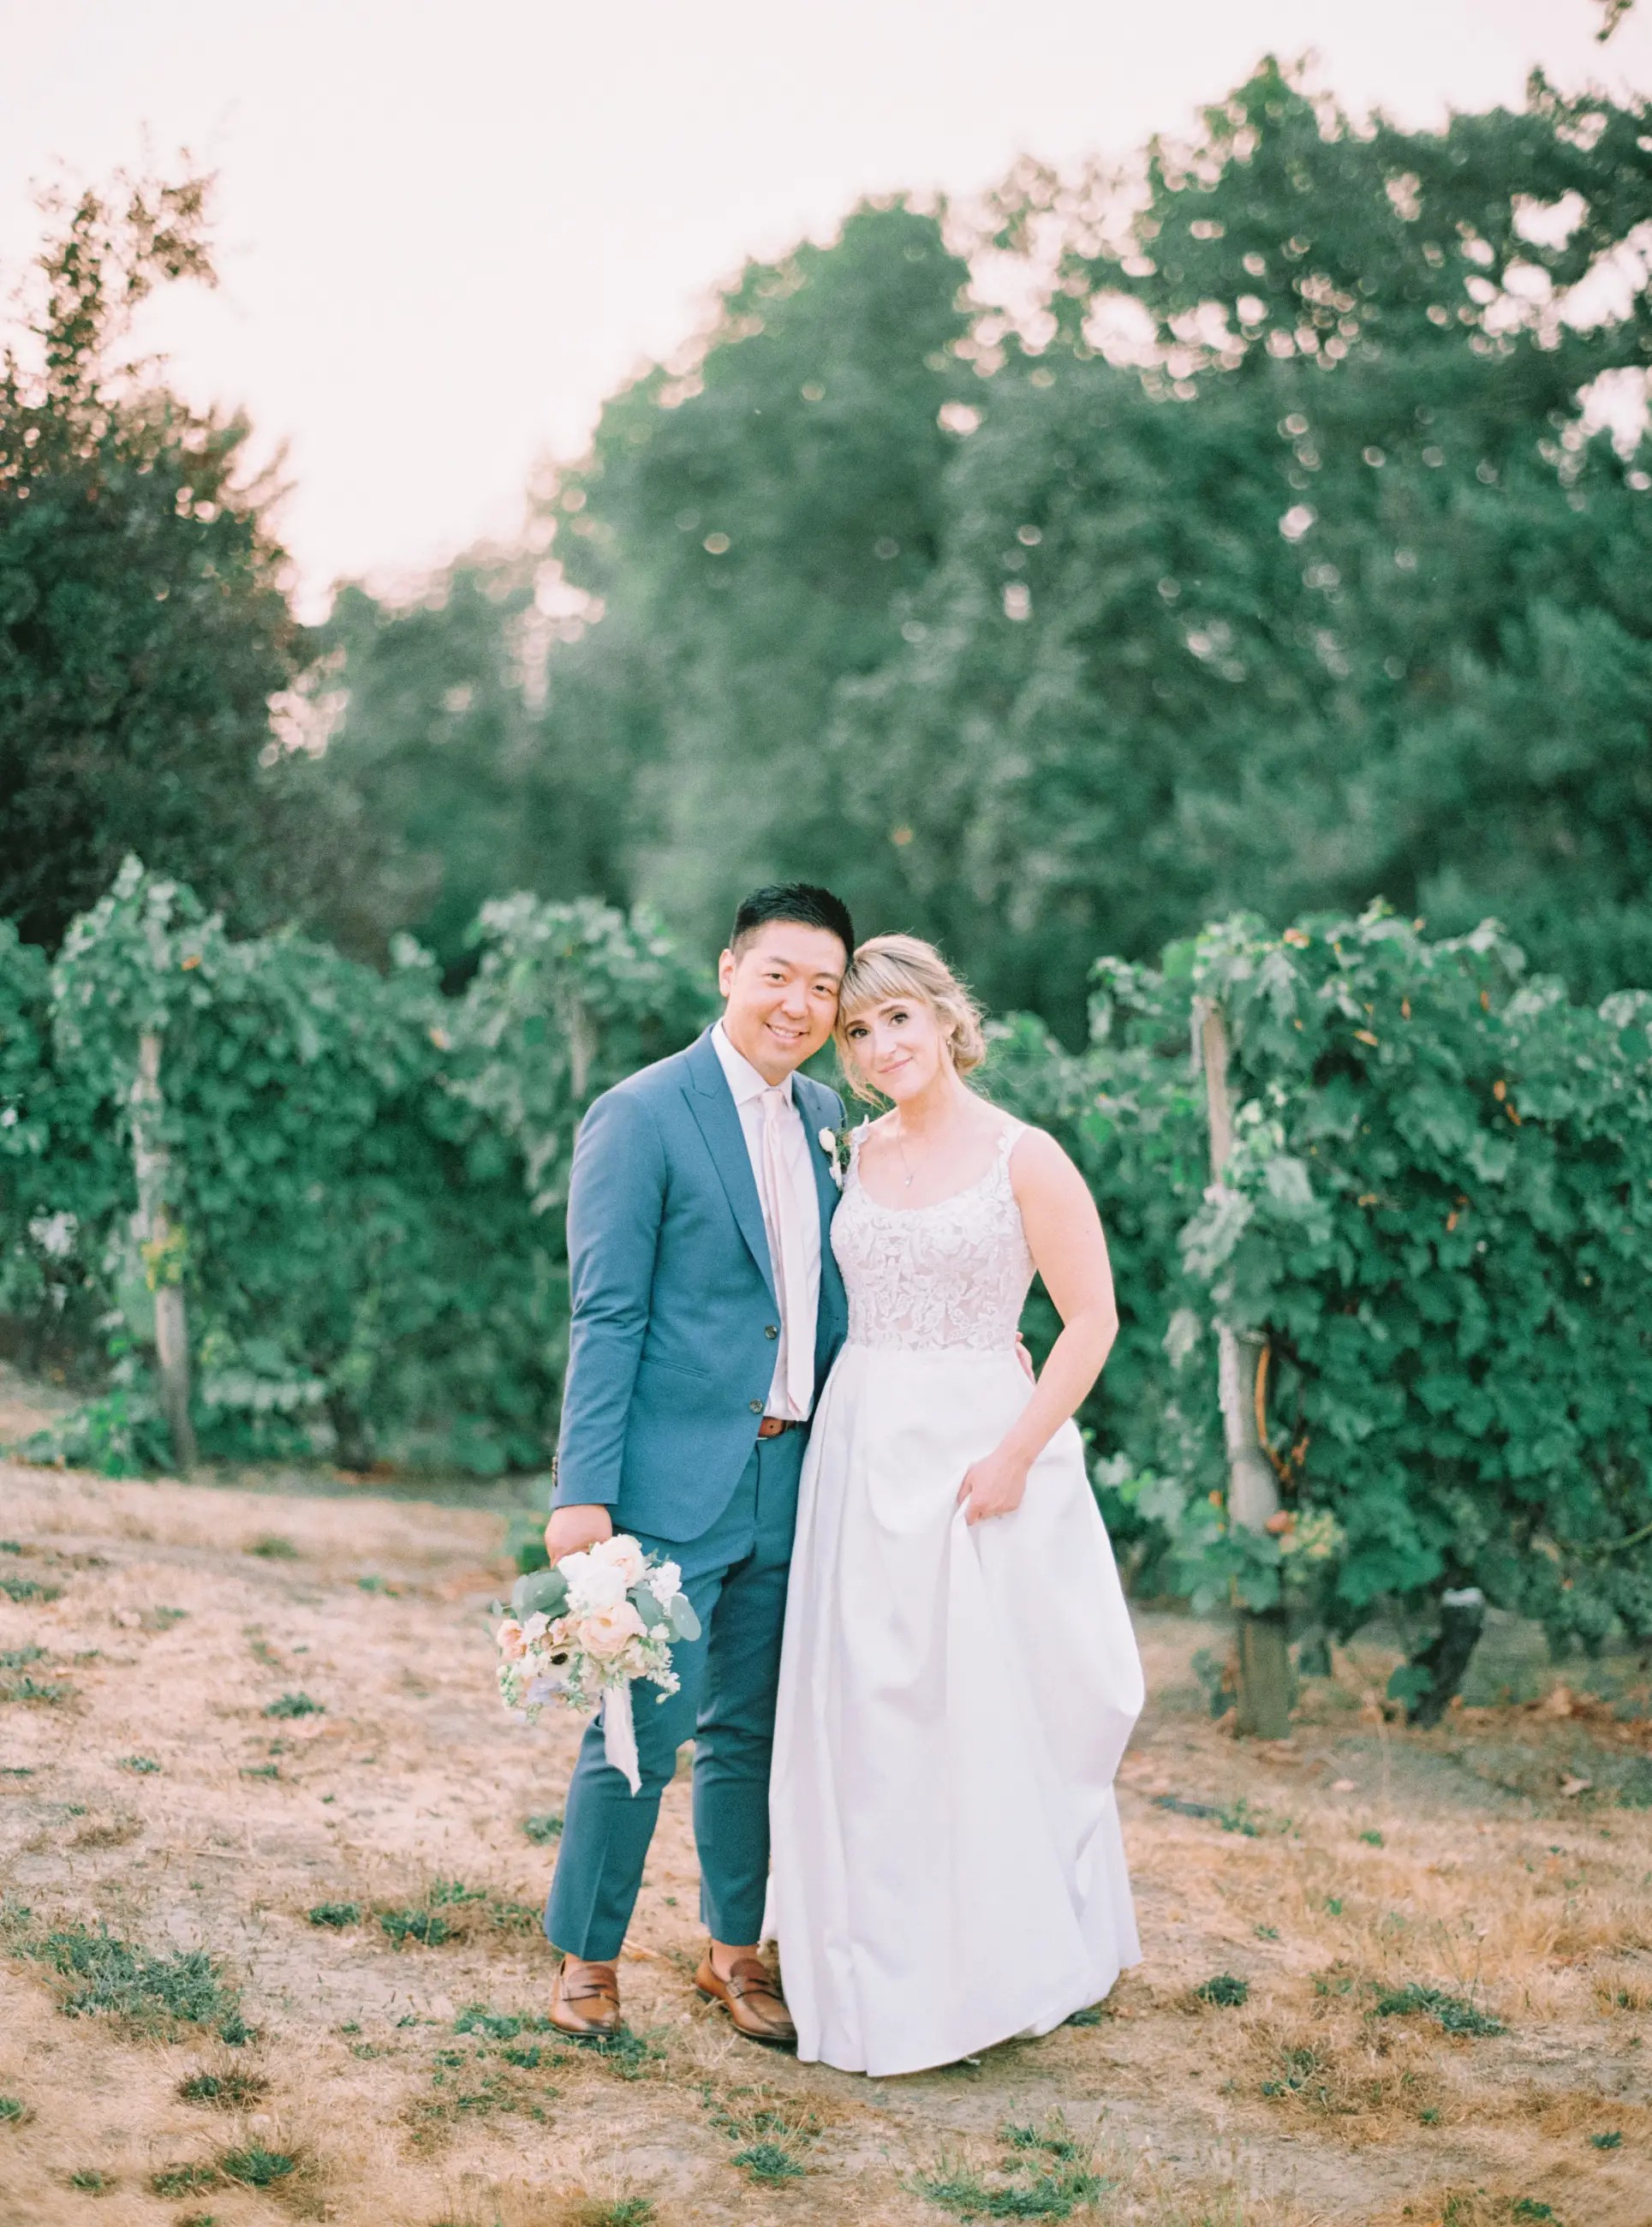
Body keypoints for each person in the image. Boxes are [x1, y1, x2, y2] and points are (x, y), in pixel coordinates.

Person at [769, 932, 1143, 2076]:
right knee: (868, 1712)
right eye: (859, 1030)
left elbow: (1090, 1320)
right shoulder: (852, 1151)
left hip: (983, 1452)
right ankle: (871, 1963)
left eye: (898, 1019)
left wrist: (1015, 1456)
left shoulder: (1025, 1157)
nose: (880, 1046)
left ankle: (1000, 1960)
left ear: (943, 1018)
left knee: (980, 1710)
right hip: (861, 1442)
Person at [540, 882, 854, 2045]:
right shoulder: (641, 1114)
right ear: (728, 971)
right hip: (670, 1481)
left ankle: (737, 1952)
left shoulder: (831, 1114)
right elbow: (606, 1313)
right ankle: (587, 1957)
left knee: (755, 1732)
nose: (800, 1002)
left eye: (823, 985)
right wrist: (582, 1489)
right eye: (778, 974)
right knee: (637, 1725)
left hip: (798, 1479)